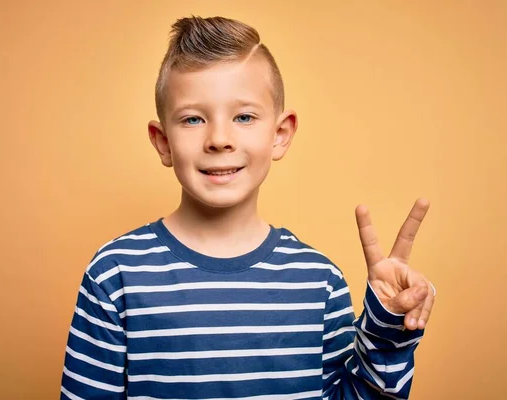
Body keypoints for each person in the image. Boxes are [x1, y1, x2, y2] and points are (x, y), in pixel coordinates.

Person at [60, 15, 436, 400]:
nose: (219, 139)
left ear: (280, 135)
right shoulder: (115, 274)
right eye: (193, 118)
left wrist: (386, 331)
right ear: (163, 142)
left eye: (243, 117)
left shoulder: (320, 281)